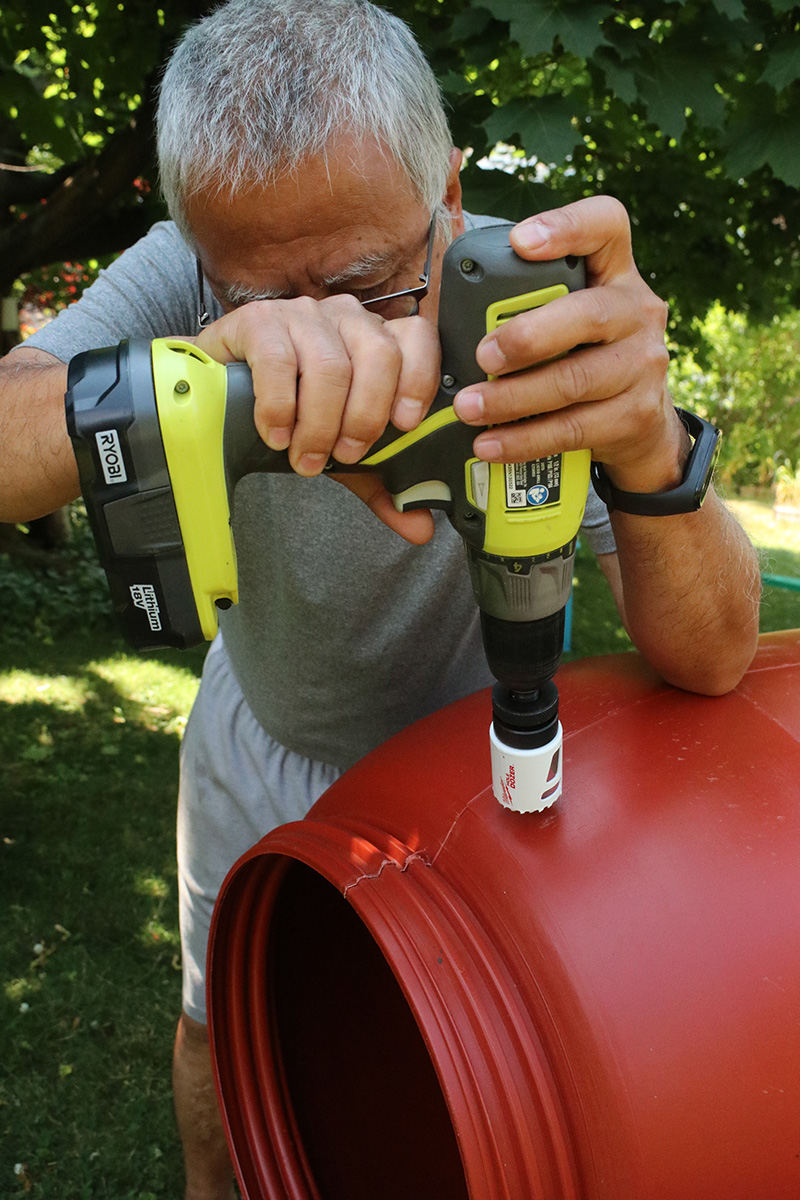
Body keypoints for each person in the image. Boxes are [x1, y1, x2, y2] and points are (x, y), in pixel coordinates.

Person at [0, 1, 761, 1196]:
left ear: (446, 190)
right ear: (199, 242)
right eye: (259, 292)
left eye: (365, 284)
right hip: (256, 724)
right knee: (218, 1031)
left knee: (452, 1084)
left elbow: (713, 655)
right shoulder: (181, 273)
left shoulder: (529, 309)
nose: (329, 345)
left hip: (471, 752)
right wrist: (201, 377)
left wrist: (650, 446)